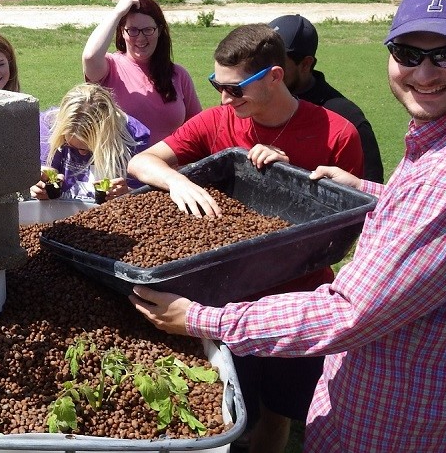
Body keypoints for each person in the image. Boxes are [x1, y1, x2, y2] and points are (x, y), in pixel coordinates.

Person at [130, 0, 446, 452]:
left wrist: (200, 318)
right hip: (414, 396)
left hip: (405, 427)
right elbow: (431, 228)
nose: (423, 73)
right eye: (407, 53)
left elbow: (348, 311)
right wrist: (366, 190)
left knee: (276, 412)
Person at [127, 24, 363, 453]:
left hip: (297, 304)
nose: (224, 99)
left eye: (236, 90)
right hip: (224, 298)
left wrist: (290, 180)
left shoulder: (336, 132)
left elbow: (350, 223)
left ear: (275, 76)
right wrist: (176, 182)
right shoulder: (217, 121)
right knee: (232, 410)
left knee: (279, 414)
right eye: (217, 85)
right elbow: (143, 162)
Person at [269, 14, 384, 182]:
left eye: (277, 63)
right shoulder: (255, 98)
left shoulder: (346, 117)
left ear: (306, 64)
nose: (266, 71)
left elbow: (370, 189)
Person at [82, 0, 201, 144]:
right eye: (132, 30)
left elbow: (197, 128)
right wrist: (117, 12)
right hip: (122, 167)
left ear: (159, 30)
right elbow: (90, 56)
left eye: (148, 30)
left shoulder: (178, 75)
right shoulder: (110, 68)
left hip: (168, 166)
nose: (140, 38)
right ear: (122, 32)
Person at [30, 83, 150, 202]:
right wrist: (41, 185)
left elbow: (144, 195)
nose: (82, 154)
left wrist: (128, 193)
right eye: (70, 145)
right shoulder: (49, 125)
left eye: (89, 149)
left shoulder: (134, 138)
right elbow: (46, 169)